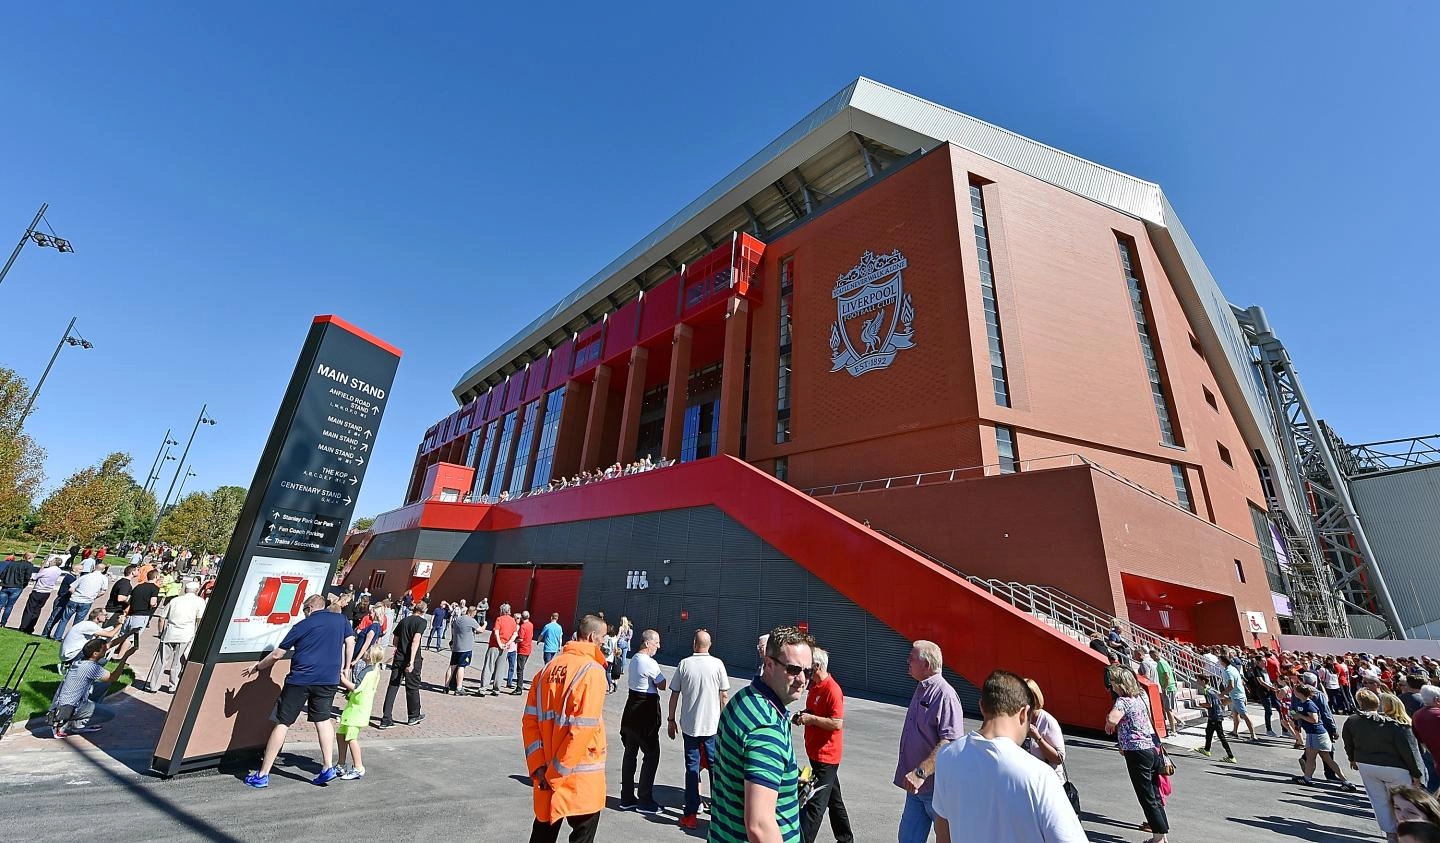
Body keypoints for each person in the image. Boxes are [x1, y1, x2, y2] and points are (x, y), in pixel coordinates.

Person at [931, 670, 1087, 843]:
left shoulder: (947, 756)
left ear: (982, 707)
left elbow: (942, 833)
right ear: (1024, 713)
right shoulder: (1040, 776)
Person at [711, 625, 814, 843]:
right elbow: (759, 826)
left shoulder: (743, 699)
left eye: (808, 672)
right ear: (768, 664)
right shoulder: (767, 727)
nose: (802, 679)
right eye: (793, 669)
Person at [240, 593, 356, 787]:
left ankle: (262, 774)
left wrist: (258, 667)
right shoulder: (341, 620)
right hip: (328, 679)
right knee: (323, 719)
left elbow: (277, 655)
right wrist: (346, 667)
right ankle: (328, 766)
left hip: (300, 679)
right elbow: (350, 641)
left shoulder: (303, 625)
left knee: (283, 723)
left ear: (309, 608)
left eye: (304, 611)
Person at [522, 614, 609, 843]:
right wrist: (556, 773)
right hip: (578, 776)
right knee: (582, 834)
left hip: (546, 773)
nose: (604, 642)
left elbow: (530, 722)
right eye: (602, 637)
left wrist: (539, 767)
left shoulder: (547, 670)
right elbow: (583, 729)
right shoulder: (592, 671)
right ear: (592, 636)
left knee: (542, 833)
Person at [896, 640, 964, 843]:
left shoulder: (945, 695)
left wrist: (920, 773)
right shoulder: (922, 688)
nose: (907, 661)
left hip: (936, 789)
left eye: (912, 658)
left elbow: (950, 742)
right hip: (916, 789)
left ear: (926, 664)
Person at [667, 628, 730, 829]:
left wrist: (671, 720)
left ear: (694, 643)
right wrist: (725, 723)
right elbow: (724, 696)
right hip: (712, 727)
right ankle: (719, 812)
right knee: (715, 768)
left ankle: (691, 814)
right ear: (709, 645)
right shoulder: (718, 664)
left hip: (690, 726)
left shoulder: (684, 664)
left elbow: (674, 694)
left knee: (692, 768)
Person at [1343, 690, 1425, 842]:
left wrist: (1352, 759)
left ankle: (1391, 836)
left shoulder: (1353, 720)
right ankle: (1406, 835)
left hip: (1366, 765)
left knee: (1379, 802)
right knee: (1404, 802)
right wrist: (1417, 774)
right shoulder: (1398, 725)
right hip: (1395, 768)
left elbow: (1348, 742)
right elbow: (1409, 752)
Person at [1105, 666, 1169, 842]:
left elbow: (1112, 718)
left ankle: (1158, 837)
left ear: (1120, 684)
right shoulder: (1138, 698)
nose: (1111, 685)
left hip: (1136, 751)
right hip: (1150, 748)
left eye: (1113, 681)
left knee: (1146, 796)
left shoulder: (1122, 701)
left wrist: (1109, 723)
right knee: (1154, 794)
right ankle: (1162, 835)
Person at [797, 647, 852, 843]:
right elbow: (814, 711)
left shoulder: (832, 689)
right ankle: (846, 839)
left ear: (817, 666)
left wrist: (811, 719)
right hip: (815, 753)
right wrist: (804, 715)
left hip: (827, 757)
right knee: (834, 801)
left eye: (808, 666)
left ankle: (803, 840)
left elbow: (837, 723)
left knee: (815, 803)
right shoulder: (815, 687)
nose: (805, 670)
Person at [619, 628, 667, 814]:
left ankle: (627, 796)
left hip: (631, 707)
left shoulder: (634, 660)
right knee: (652, 754)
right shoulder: (649, 662)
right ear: (647, 643)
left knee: (630, 753)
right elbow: (662, 684)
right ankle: (645, 799)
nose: (658, 646)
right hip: (645, 710)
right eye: (656, 643)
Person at [49, 639, 128, 738]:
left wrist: (128, 634)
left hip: (64, 702)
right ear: (95, 654)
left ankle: (77, 718)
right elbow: (113, 677)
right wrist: (125, 658)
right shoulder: (91, 668)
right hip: (69, 708)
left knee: (103, 685)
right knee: (110, 714)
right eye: (103, 650)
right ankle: (71, 724)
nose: (106, 651)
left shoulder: (80, 660)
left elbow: (108, 645)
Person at [1292, 684, 1357, 790]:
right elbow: (1293, 709)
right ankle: (1345, 781)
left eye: (1295, 690)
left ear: (1300, 693)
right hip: (1314, 734)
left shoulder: (1309, 704)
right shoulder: (1300, 702)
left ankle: (1307, 778)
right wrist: (1294, 716)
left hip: (1316, 734)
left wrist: (1300, 716)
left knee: (1311, 757)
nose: (1293, 692)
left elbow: (1314, 720)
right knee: (1325, 758)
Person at [146, 581, 205, 693]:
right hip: (186, 635)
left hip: (170, 633)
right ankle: (173, 686)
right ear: (197, 590)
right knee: (177, 662)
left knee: (161, 661)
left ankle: (153, 686)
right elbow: (199, 619)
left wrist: (160, 632)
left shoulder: (175, 600)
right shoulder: (199, 601)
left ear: (185, 590)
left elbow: (162, 618)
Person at [336, 643, 385, 780]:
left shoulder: (367, 672)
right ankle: (341, 764)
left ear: (370, 656)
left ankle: (358, 767)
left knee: (351, 737)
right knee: (341, 734)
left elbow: (356, 688)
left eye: (367, 651)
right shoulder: (374, 670)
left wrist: (342, 680)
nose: (365, 652)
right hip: (356, 707)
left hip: (357, 709)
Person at [380, 598, 428, 728]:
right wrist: (411, 661)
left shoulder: (404, 620)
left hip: (399, 657)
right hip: (412, 659)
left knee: (393, 686)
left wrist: (400, 648)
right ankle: (413, 715)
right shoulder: (422, 622)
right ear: (423, 611)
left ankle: (386, 718)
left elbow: (395, 640)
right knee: (412, 687)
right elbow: (416, 640)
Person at [1021, 678, 1071, 790]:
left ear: (1034, 698)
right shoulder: (1018, 718)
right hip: (1026, 783)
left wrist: (1037, 738)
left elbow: (1059, 758)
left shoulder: (1047, 721)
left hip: (1048, 785)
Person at [52, 562, 108, 641]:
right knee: (78, 622)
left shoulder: (85, 576)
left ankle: (57, 636)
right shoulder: (103, 578)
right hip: (87, 601)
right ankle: (71, 638)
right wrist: (94, 597)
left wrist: (75, 594)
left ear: (94, 568)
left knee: (64, 619)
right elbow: (103, 591)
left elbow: (71, 588)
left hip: (75, 599)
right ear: (103, 570)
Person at [116, 570, 161, 663]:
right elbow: (152, 603)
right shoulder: (154, 588)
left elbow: (129, 599)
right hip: (142, 615)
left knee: (123, 634)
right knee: (132, 637)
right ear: (156, 577)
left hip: (131, 614)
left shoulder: (138, 586)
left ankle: (113, 651)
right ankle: (120, 657)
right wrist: (155, 604)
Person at [1193, 675, 1237, 763]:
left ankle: (1231, 756)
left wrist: (1201, 704)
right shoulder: (1211, 689)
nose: (1197, 681)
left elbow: (1210, 705)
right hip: (1215, 715)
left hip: (1215, 716)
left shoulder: (1207, 691)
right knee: (1208, 732)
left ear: (1203, 681)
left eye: (1198, 680)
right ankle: (1207, 749)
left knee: (1221, 736)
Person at [18, 556, 64, 634]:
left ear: (54, 562)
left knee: (29, 609)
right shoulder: (59, 571)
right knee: (37, 610)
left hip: (38, 590)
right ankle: (30, 627)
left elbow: (35, 577)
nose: (50, 562)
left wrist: (41, 568)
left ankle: (24, 627)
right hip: (47, 592)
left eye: (51, 561)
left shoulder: (47, 570)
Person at [480, 603, 516, 696]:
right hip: (505, 647)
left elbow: (496, 632)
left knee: (488, 666)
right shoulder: (513, 621)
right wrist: (508, 643)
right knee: (500, 668)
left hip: (495, 646)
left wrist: (499, 643)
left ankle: (483, 688)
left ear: (502, 611)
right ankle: (496, 689)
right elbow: (515, 634)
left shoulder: (499, 619)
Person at [40, 561, 79, 639]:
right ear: (75, 570)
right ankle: (45, 633)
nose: (82, 571)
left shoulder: (71, 577)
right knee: (54, 617)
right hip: (62, 599)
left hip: (63, 599)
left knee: (56, 617)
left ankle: (47, 633)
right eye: (80, 569)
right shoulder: (70, 578)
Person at [1411, 686, 1440, 793]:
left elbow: (1419, 739)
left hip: (1430, 754)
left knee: (1430, 787)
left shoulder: (1416, 715)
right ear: (1437, 700)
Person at [1222, 653, 1256, 741]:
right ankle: (1234, 732)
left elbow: (1231, 685)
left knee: (1244, 715)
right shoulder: (1233, 668)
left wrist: (1222, 694)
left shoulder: (1228, 671)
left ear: (1223, 662)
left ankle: (1253, 735)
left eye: (1220, 661)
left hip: (1237, 697)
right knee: (1235, 714)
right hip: (1238, 695)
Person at [446, 604, 480, 694]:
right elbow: (480, 630)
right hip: (465, 648)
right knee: (461, 667)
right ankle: (459, 688)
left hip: (456, 646)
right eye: (475, 613)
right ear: (472, 612)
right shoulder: (471, 620)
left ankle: (446, 686)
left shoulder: (458, 619)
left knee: (452, 666)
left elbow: (453, 629)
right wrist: (485, 625)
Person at [0, 552, 37, 626]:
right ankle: (3, 623)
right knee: (9, 606)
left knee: (1, 604)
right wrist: (24, 585)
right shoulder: (29, 565)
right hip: (17, 586)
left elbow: (4, 573)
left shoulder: (12, 563)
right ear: (30, 558)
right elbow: (27, 577)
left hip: (6, 585)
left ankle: (3, 622)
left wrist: (4, 581)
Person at [1152, 649, 1180, 734]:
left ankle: (1173, 730)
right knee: (1167, 708)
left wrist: (1165, 687)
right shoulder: (1163, 662)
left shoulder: (1161, 663)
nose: (1152, 658)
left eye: (1152, 656)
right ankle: (1179, 721)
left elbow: (1166, 676)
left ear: (1155, 655)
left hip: (1168, 688)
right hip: (1169, 687)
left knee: (1168, 709)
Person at [514, 610, 535, 693]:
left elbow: (521, 638)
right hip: (528, 649)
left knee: (520, 669)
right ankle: (519, 686)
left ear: (522, 618)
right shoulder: (531, 625)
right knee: (521, 668)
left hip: (522, 649)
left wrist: (514, 641)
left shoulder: (523, 626)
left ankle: (519, 688)